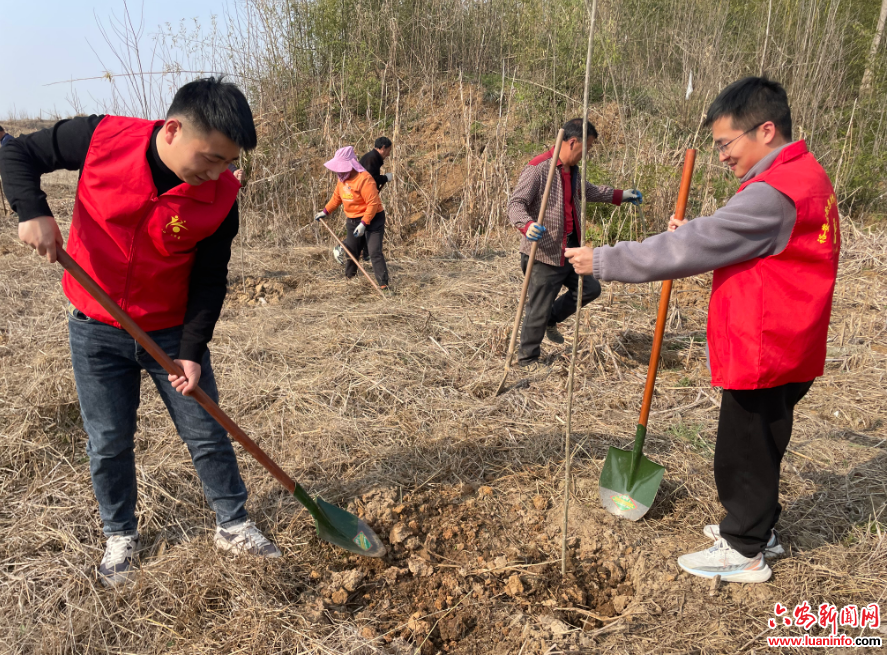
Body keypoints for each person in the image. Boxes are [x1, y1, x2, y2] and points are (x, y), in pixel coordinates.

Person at [0, 76, 282, 588]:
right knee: (108, 440)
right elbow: (16, 154)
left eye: (229, 162)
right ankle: (120, 534)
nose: (219, 172)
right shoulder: (100, 138)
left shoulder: (220, 196)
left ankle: (233, 523)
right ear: (173, 130)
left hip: (170, 332)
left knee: (206, 432)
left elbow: (209, 276)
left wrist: (193, 352)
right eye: (211, 158)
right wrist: (33, 211)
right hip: (96, 328)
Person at [565, 77, 840, 583]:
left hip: (765, 344)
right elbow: (732, 238)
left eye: (725, 143)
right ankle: (760, 529)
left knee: (744, 448)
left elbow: (703, 242)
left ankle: (744, 549)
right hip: (792, 339)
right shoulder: (806, 175)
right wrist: (696, 237)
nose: (720, 156)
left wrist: (606, 259)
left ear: (766, 129)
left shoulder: (773, 193)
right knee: (765, 440)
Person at [507, 118, 643, 369]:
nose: (587, 153)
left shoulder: (574, 172)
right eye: (587, 147)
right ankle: (527, 360)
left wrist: (622, 196)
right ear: (572, 142)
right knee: (538, 306)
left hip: (569, 250)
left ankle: (552, 318)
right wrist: (527, 226)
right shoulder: (539, 168)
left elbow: (590, 191)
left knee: (589, 289)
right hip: (544, 253)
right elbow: (516, 204)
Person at [316, 146, 391, 291]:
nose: (340, 171)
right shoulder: (342, 180)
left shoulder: (364, 179)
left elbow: (373, 203)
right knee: (351, 250)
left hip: (373, 219)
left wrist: (364, 223)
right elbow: (336, 198)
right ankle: (349, 280)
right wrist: (325, 211)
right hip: (353, 220)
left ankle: (383, 285)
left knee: (374, 251)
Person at [334, 136, 394, 265]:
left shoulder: (373, 158)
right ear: (383, 148)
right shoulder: (372, 159)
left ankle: (366, 253)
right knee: (364, 226)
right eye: (388, 150)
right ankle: (343, 248)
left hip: (364, 198)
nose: (389, 154)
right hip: (362, 200)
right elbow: (370, 180)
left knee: (366, 226)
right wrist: (385, 178)